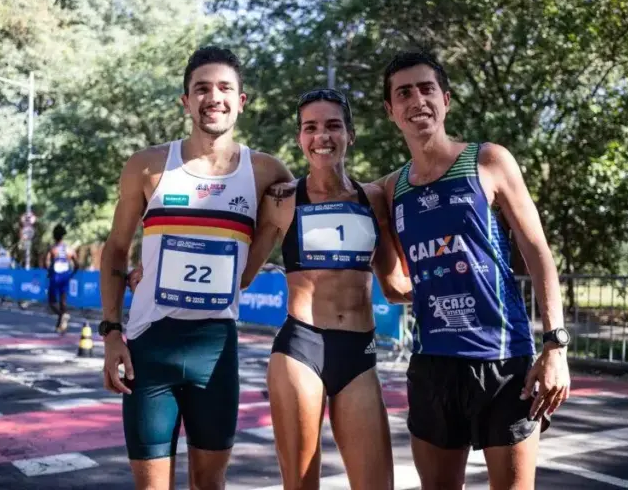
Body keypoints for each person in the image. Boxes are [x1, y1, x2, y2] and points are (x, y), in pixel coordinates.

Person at [127, 88, 413, 490]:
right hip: (301, 348)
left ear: (351, 134)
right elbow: (239, 273)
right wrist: (156, 270)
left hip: (359, 352)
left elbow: (396, 285)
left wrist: (452, 280)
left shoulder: (376, 198)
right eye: (310, 128)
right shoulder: (281, 199)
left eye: (333, 126)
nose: (322, 136)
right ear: (300, 138)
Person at [99, 46, 293, 490]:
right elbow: (115, 250)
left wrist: (241, 275)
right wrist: (111, 333)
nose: (214, 97)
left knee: (210, 483)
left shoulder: (266, 172)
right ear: (185, 101)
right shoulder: (147, 167)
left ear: (241, 100)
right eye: (201, 88)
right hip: (150, 349)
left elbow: (277, 232)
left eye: (225, 88)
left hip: (215, 352)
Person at [376, 50, 571, 489]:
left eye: (426, 89)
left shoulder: (488, 160)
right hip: (432, 366)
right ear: (391, 111)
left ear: (445, 99)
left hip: (502, 363)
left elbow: (538, 250)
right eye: (403, 93)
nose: (417, 100)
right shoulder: (390, 189)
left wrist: (555, 346)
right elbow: (392, 288)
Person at [44, 224, 79, 333]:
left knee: (51, 302)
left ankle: (62, 316)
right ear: (63, 236)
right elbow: (77, 264)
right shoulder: (70, 250)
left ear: (54, 236)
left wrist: (49, 272)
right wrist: (72, 274)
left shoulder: (52, 249)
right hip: (66, 276)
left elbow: (46, 263)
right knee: (63, 301)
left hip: (55, 276)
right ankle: (61, 322)